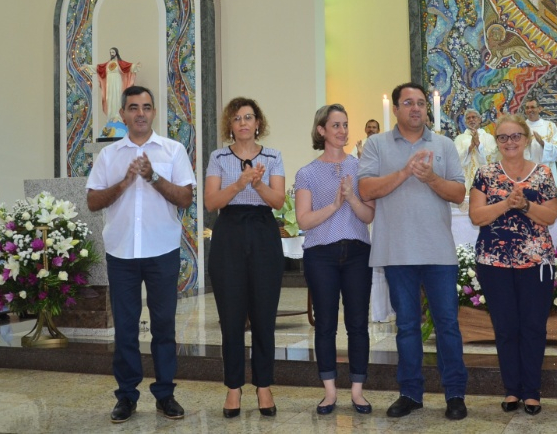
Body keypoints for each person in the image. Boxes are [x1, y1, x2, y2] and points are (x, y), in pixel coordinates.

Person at [359, 82, 469, 421]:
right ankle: (410, 393)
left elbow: (459, 193)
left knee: (447, 324)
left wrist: (431, 178)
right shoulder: (376, 145)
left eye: (421, 103)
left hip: (438, 252)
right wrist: (406, 171)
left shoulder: (444, 145)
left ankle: (454, 395)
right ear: (395, 109)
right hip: (397, 251)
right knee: (406, 326)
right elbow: (365, 189)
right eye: (408, 103)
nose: (416, 108)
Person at [87, 85, 196, 424]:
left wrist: (152, 176)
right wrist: (123, 183)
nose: (140, 113)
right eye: (133, 107)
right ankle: (127, 396)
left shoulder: (173, 150)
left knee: (164, 326)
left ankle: (165, 394)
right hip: (122, 252)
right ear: (123, 114)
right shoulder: (109, 156)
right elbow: (92, 201)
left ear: (153, 113)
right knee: (126, 328)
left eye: (146, 107)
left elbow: (185, 198)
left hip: (161, 250)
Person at [469, 114, 557, 416]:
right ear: (497, 142)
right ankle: (511, 390)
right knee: (506, 328)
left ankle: (531, 392)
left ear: (526, 138)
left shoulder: (543, 173)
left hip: (535, 264)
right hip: (494, 263)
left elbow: (550, 217)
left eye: (515, 136)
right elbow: (477, 216)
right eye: (503, 137)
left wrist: (526, 205)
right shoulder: (485, 173)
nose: (510, 142)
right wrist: (507, 203)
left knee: (533, 327)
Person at [204, 97, 286, 419]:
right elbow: (212, 202)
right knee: (232, 317)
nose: (243, 123)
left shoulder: (274, 156)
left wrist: (259, 183)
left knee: (264, 315)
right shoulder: (218, 157)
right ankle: (234, 387)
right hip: (230, 234)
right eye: (237, 118)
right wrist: (239, 184)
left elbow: (278, 201)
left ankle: (264, 385)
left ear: (257, 123)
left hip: (264, 232)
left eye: (248, 117)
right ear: (231, 125)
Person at [295, 104, 375, 415]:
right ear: (321, 131)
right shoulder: (307, 173)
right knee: (325, 324)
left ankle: (357, 390)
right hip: (321, 255)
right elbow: (304, 220)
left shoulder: (361, 166)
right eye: (336, 125)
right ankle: (329, 391)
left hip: (357, 253)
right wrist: (334, 204)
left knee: (357, 324)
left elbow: (368, 214)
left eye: (345, 124)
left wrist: (352, 198)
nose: (342, 130)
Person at [453, 108, 497, 209]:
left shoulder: (488, 138)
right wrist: (469, 148)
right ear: (465, 121)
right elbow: (455, 160)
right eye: (468, 118)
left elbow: (492, 158)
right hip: (465, 180)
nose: (471, 120)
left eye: (474, 117)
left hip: (483, 179)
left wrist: (478, 146)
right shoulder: (460, 139)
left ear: (480, 119)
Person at [522, 97, 557, 186]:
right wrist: (526, 145)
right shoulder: (521, 127)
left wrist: (542, 143)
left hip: (547, 169)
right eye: (527, 108)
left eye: (532, 107)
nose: (530, 110)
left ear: (539, 109)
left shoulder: (550, 126)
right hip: (526, 171)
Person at [94, 47, 141, 118]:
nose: (111, 54)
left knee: (117, 96)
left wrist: (135, 66)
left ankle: (118, 116)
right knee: (109, 97)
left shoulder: (119, 63)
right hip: (109, 82)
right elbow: (98, 67)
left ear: (116, 53)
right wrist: (87, 67)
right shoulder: (107, 64)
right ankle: (111, 115)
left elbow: (128, 66)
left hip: (117, 80)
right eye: (110, 52)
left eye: (113, 52)